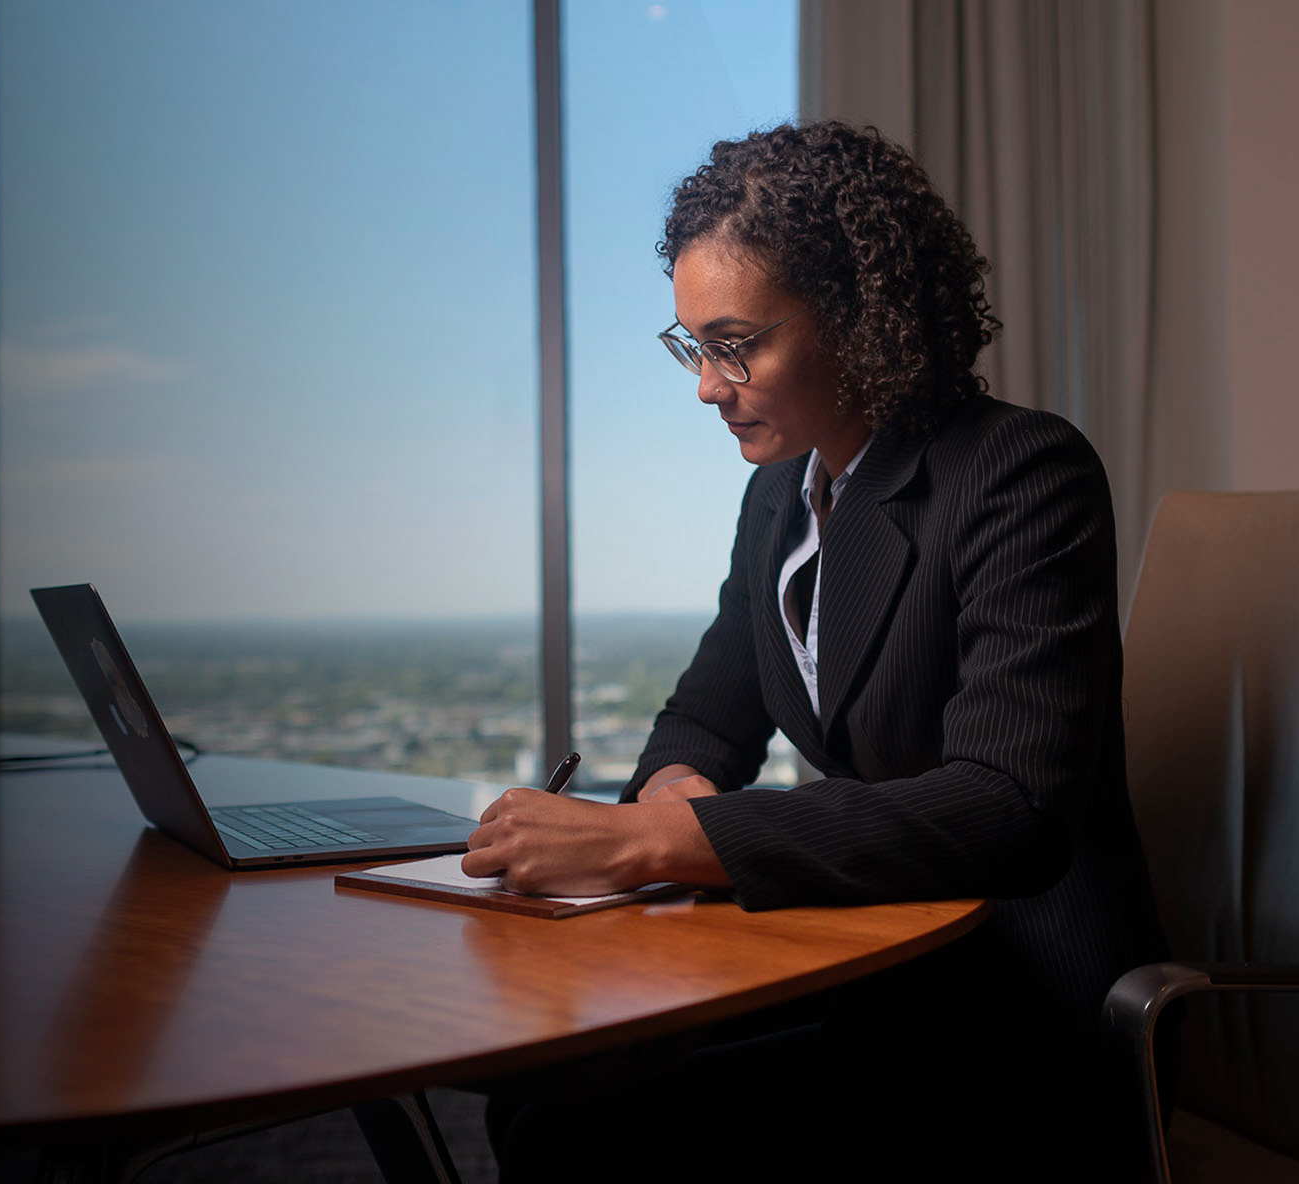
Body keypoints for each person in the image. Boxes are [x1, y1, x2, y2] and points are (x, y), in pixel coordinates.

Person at [463, 121, 1166, 1180]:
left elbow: (1004, 804)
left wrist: (651, 844)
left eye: (734, 342)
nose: (706, 383)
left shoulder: (1021, 472)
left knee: (584, 1134)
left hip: (1017, 1013)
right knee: (543, 1086)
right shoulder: (778, 500)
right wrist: (676, 782)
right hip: (874, 966)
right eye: (691, 344)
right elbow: (705, 714)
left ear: (859, 317)